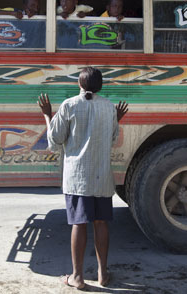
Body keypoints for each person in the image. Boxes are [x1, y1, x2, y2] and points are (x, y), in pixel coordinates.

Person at [37, 67, 128, 290]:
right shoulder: (108, 106)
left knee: (79, 223)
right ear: (100, 86)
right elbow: (114, 138)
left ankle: (77, 276)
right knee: (101, 222)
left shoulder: (69, 105)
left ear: (80, 84)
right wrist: (116, 118)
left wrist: (47, 115)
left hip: (78, 177)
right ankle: (102, 273)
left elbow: (55, 140)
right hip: (102, 177)